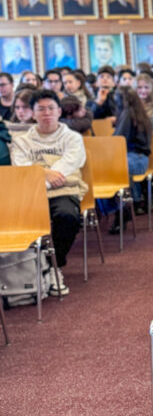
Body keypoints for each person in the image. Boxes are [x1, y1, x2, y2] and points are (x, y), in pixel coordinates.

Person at [10, 89, 86, 296]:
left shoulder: (72, 138)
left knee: (67, 217)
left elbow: (68, 166)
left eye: (51, 108)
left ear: (59, 111)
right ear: (33, 113)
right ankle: (23, 270)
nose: (46, 113)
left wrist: (41, 174)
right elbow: (21, 168)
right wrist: (45, 173)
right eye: (41, 109)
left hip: (64, 191)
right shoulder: (22, 141)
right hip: (31, 194)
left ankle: (54, 266)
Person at [106, 87, 152, 233]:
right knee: (115, 169)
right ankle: (126, 205)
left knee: (111, 169)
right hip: (140, 159)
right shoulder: (138, 113)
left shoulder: (127, 113)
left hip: (135, 158)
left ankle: (122, 209)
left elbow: (118, 140)